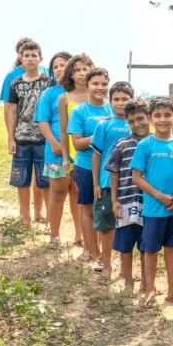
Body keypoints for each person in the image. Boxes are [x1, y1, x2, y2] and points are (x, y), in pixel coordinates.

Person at [130, 97, 173, 307]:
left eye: (167, 115)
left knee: (172, 248)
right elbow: (136, 177)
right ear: (150, 118)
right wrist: (160, 196)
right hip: (154, 209)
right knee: (150, 249)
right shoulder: (145, 145)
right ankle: (150, 288)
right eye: (157, 115)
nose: (162, 119)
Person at [68, 67, 113, 267]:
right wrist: (100, 133)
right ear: (87, 86)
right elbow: (77, 143)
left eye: (104, 84)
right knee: (88, 209)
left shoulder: (113, 109)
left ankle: (106, 254)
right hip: (85, 167)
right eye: (95, 83)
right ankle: (93, 252)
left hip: (110, 170)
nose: (100, 87)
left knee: (107, 211)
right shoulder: (79, 111)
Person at [6, 40, 53, 230]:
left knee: (46, 181)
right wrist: (10, 138)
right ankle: (25, 218)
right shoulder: (15, 83)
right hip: (22, 139)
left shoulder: (49, 82)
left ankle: (51, 219)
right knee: (22, 181)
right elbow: (11, 111)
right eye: (27, 55)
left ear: (41, 58)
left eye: (34, 55)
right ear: (21, 58)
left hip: (44, 140)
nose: (31, 59)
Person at [91, 81, 135, 283]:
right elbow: (97, 155)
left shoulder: (136, 124)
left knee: (128, 228)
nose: (120, 103)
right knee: (106, 227)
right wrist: (96, 183)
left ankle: (126, 269)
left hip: (131, 185)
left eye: (125, 99)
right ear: (110, 101)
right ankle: (107, 264)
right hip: (107, 184)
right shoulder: (104, 125)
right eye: (116, 99)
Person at [106, 98, 150, 296]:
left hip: (149, 204)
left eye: (140, 119)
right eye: (131, 121)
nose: (137, 124)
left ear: (148, 117)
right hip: (126, 202)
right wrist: (114, 201)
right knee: (125, 246)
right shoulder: (122, 144)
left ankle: (146, 283)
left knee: (146, 245)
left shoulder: (157, 143)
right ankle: (128, 282)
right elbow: (114, 173)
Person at [35, 51, 72, 248]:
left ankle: (80, 236)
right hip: (55, 151)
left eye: (63, 65)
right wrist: (54, 143)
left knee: (78, 194)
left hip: (79, 153)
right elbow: (43, 121)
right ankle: (54, 235)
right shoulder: (49, 93)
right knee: (57, 192)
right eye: (55, 66)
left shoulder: (81, 92)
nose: (59, 69)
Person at [58, 54, 92, 255]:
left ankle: (99, 245)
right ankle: (85, 241)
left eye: (85, 69)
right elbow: (63, 132)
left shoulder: (100, 96)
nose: (81, 73)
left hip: (101, 157)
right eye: (77, 70)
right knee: (82, 200)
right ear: (70, 73)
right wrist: (65, 159)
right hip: (77, 156)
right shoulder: (65, 98)